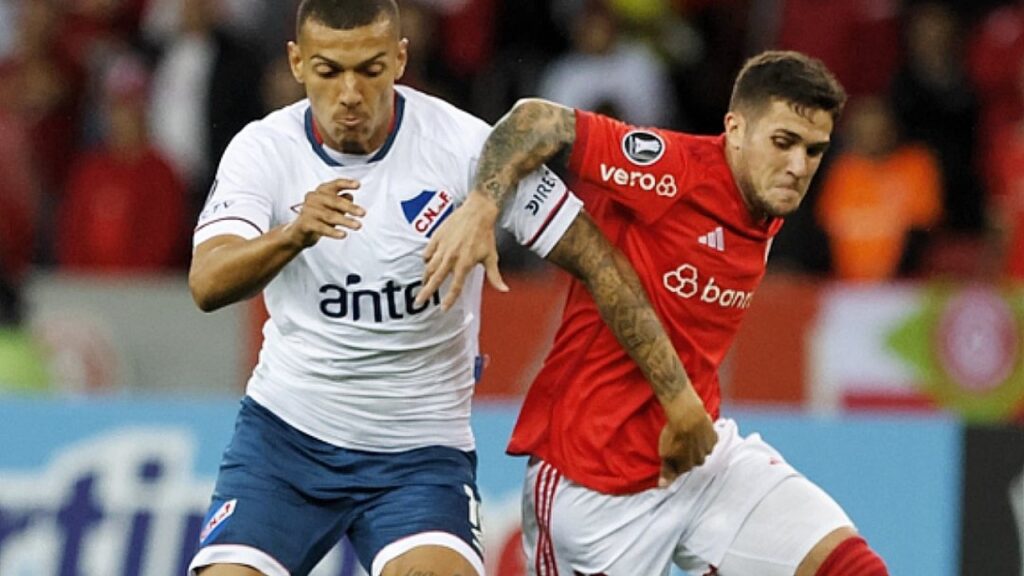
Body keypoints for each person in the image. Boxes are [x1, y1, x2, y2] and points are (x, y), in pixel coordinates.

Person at [186, 1, 716, 575]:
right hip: (285, 443)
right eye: (328, 70)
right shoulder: (263, 149)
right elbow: (208, 283)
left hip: (419, 457)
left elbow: (600, 261)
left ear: (399, 58)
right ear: (296, 62)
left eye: (369, 68)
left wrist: (678, 394)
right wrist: (292, 236)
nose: (348, 93)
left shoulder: (467, 150)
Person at [420, 51, 890, 575]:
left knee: (854, 568)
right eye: (783, 143)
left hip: (697, 459)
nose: (798, 167)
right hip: (592, 482)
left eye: (814, 151)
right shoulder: (671, 170)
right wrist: (483, 207)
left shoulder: (765, 199)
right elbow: (532, 120)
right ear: (735, 129)